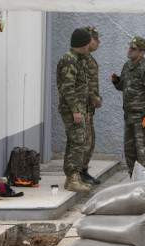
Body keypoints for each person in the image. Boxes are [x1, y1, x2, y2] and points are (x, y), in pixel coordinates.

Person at [111, 36, 145, 175]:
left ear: (142, 52)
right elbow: (125, 87)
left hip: (143, 118)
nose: (129, 51)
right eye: (130, 48)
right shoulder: (127, 66)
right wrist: (117, 81)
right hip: (129, 117)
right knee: (130, 151)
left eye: (133, 49)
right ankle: (134, 182)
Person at [56, 28, 92, 192]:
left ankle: (74, 176)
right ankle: (72, 178)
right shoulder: (69, 60)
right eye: (87, 43)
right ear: (82, 44)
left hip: (79, 108)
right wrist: (76, 110)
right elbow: (68, 88)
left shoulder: (79, 59)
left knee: (77, 141)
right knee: (77, 142)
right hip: (72, 109)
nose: (89, 46)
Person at [80, 26, 101, 185]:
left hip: (89, 108)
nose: (98, 42)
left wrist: (96, 98)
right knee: (83, 141)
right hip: (81, 107)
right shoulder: (80, 59)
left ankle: (83, 171)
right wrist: (93, 97)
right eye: (96, 39)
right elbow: (81, 85)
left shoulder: (89, 59)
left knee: (90, 140)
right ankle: (77, 173)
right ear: (89, 40)